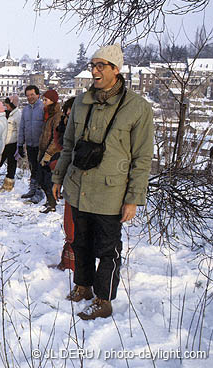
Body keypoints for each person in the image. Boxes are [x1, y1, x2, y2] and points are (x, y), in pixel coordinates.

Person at [52, 44, 154, 319]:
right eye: (93, 65)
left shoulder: (137, 108)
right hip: (79, 187)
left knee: (108, 250)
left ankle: (104, 298)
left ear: (115, 69)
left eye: (101, 66)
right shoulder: (82, 102)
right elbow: (69, 144)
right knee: (80, 243)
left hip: (111, 193)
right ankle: (83, 286)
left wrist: (133, 197)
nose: (94, 71)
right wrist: (58, 177)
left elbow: (143, 157)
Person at [46, 97, 76, 270]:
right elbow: (62, 148)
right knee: (69, 223)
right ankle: (67, 262)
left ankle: (73, 264)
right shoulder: (65, 128)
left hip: (80, 182)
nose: (69, 115)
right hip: (68, 179)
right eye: (67, 112)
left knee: (74, 225)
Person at [18, 85, 45, 203]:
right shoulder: (26, 110)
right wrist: (20, 144)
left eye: (32, 95)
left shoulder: (43, 108)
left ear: (38, 95)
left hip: (41, 145)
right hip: (30, 144)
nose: (30, 97)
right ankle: (32, 189)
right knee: (33, 167)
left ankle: (39, 192)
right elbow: (22, 127)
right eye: (28, 95)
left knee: (40, 168)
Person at [36, 89, 61, 213]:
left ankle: (52, 204)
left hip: (52, 153)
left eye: (46, 100)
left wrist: (48, 154)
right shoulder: (47, 115)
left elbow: (56, 139)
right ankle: (49, 201)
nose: (43, 102)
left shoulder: (57, 116)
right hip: (44, 151)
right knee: (41, 178)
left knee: (47, 180)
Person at [0, 95, 21, 192]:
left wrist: (20, 145)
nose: (6, 106)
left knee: (11, 164)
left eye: (7, 104)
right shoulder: (4, 113)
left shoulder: (17, 115)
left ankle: (8, 184)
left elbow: (20, 130)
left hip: (12, 143)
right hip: (3, 142)